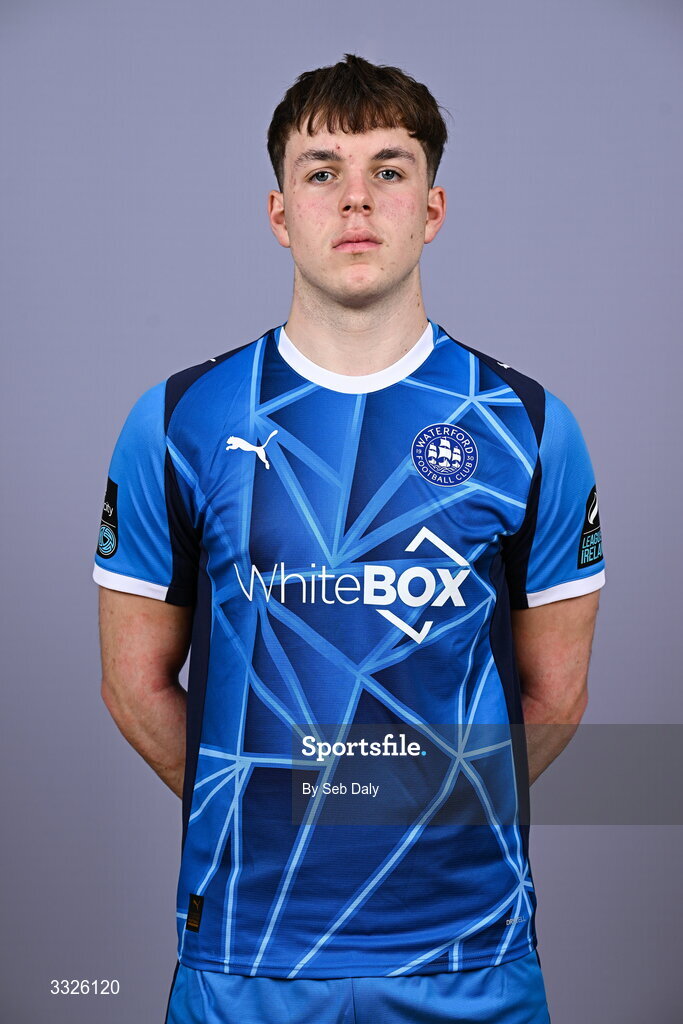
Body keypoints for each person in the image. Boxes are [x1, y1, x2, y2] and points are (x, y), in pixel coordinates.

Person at [93, 54, 605, 1024]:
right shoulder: (178, 421)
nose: (356, 199)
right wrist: (258, 807)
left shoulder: (529, 426)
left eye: (389, 169)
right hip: (246, 956)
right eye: (322, 171)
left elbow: (555, 692)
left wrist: (422, 810)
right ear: (280, 213)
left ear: (432, 208)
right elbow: (132, 683)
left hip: (469, 955)